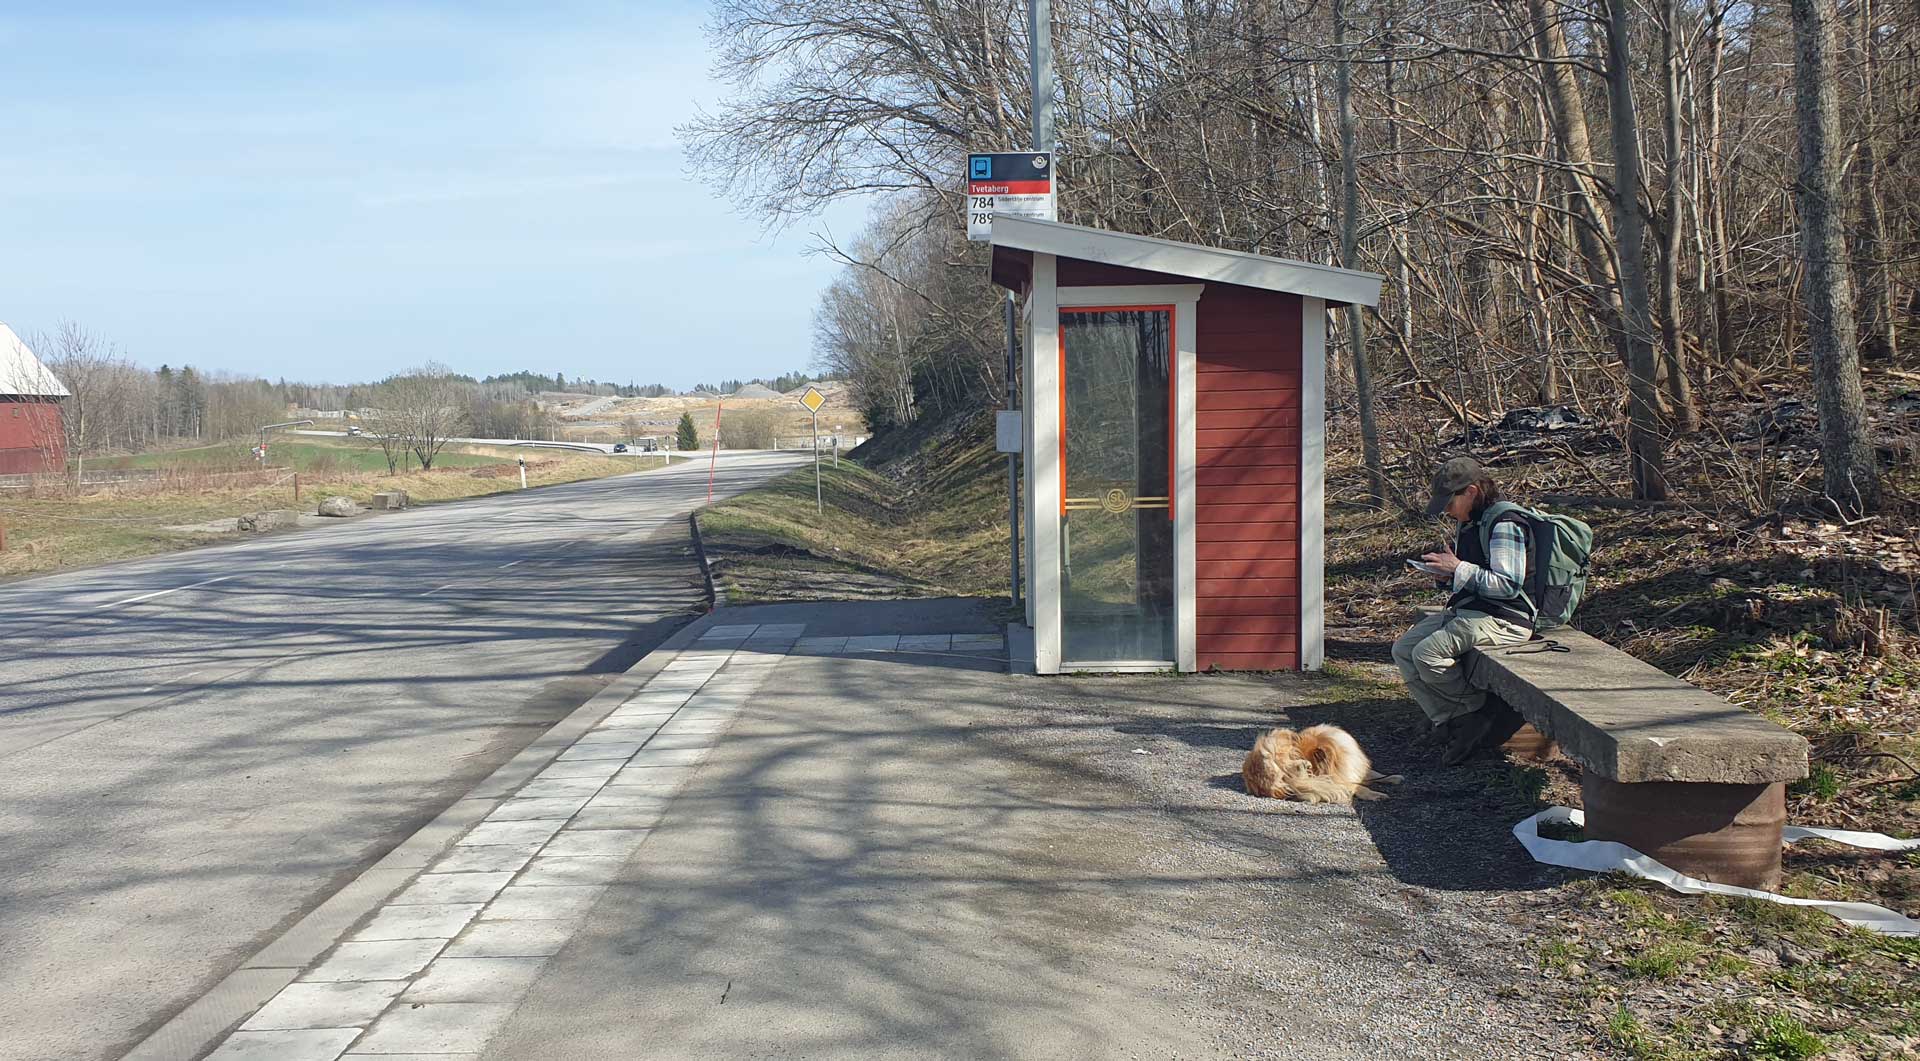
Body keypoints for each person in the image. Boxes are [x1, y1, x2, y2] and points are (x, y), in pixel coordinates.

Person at [1391, 456, 1536, 765]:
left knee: (1427, 654)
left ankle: (1479, 717)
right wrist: (1447, 577)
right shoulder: (1469, 522)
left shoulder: (1505, 523)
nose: (1445, 510)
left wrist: (1458, 568)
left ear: (1471, 491)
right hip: (1473, 611)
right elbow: (1471, 579)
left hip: (1506, 619)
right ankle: (1450, 721)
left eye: (1448, 501)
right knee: (1403, 650)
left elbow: (1508, 585)